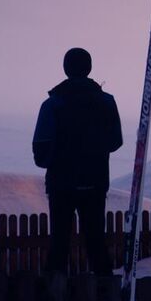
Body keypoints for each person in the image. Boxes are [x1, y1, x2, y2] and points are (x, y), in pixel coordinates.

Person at [33, 48, 122, 276]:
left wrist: (58, 161)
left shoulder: (53, 104)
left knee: (59, 242)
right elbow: (115, 141)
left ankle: (56, 295)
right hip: (95, 182)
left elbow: (41, 150)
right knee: (96, 241)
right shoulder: (107, 102)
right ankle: (104, 295)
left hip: (61, 184)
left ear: (66, 69)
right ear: (89, 68)